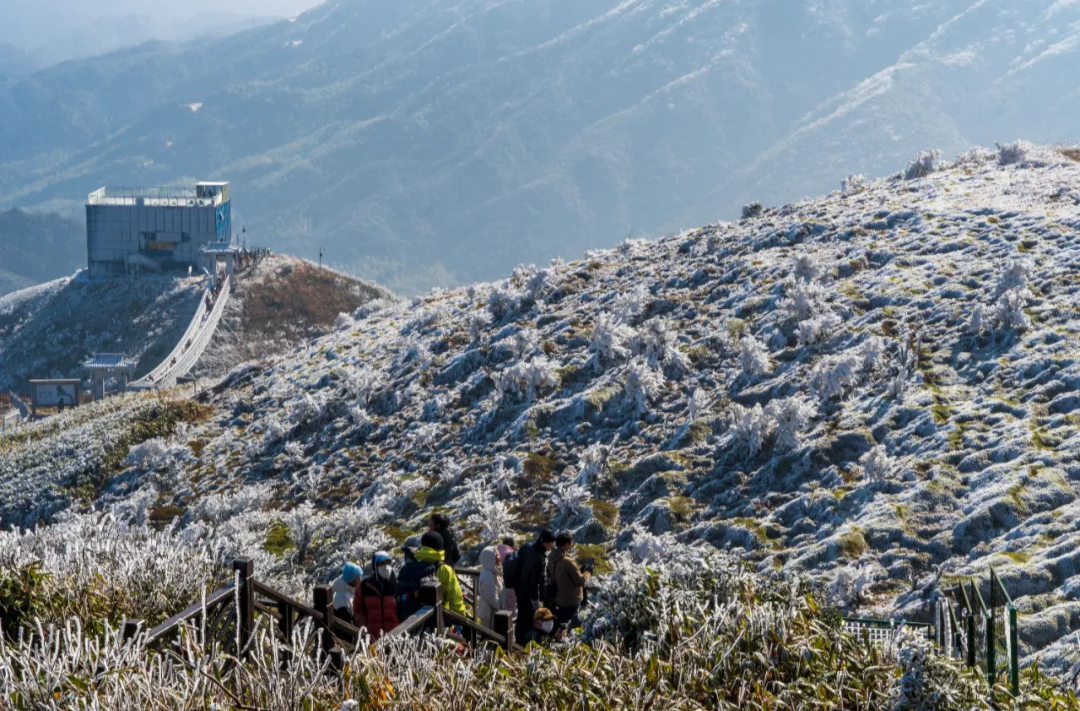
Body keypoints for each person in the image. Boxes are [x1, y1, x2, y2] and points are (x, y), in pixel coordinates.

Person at [395, 531, 467, 620]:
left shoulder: (410, 565)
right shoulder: (444, 570)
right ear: (439, 548)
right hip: (437, 624)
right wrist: (462, 621)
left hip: (409, 623)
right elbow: (456, 601)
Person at [510, 529, 555, 643]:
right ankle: (524, 646)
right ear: (547, 543)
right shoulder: (539, 559)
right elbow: (534, 583)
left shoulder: (526, 547)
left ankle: (518, 642)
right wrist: (535, 603)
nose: (552, 545)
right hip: (528, 596)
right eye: (551, 543)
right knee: (529, 621)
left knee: (520, 619)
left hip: (519, 591)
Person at [353, 551, 399, 640]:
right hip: (372, 638)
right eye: (381, 563)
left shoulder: (397, 585)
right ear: (375, 566)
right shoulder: (365, 586)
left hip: (395, 638)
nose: (385, 566)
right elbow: (357, 609)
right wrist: (365, 626)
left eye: (388, 562)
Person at [551, 532, 590, 630]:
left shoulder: (551, 557)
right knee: (571, 626)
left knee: (561, 623)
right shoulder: (568, 561)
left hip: (558, 598)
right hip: (571, 600)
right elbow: (580, 581)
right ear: (566, 545)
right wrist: (587, 573)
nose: (572, 545)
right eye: (571, 543)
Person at [476, 546, 504, 629]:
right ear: (490, 558)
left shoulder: (492, 572)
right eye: (497, 555)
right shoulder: (487, 576)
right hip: (489, 614)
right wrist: (501, 607)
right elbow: (491, 598)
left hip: (491, 613)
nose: (499, 557)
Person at [497, 537, 517, 614]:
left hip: (497, 582)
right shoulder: (511, 554)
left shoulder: (496, 551)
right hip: (509, 583)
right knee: (509, 606)